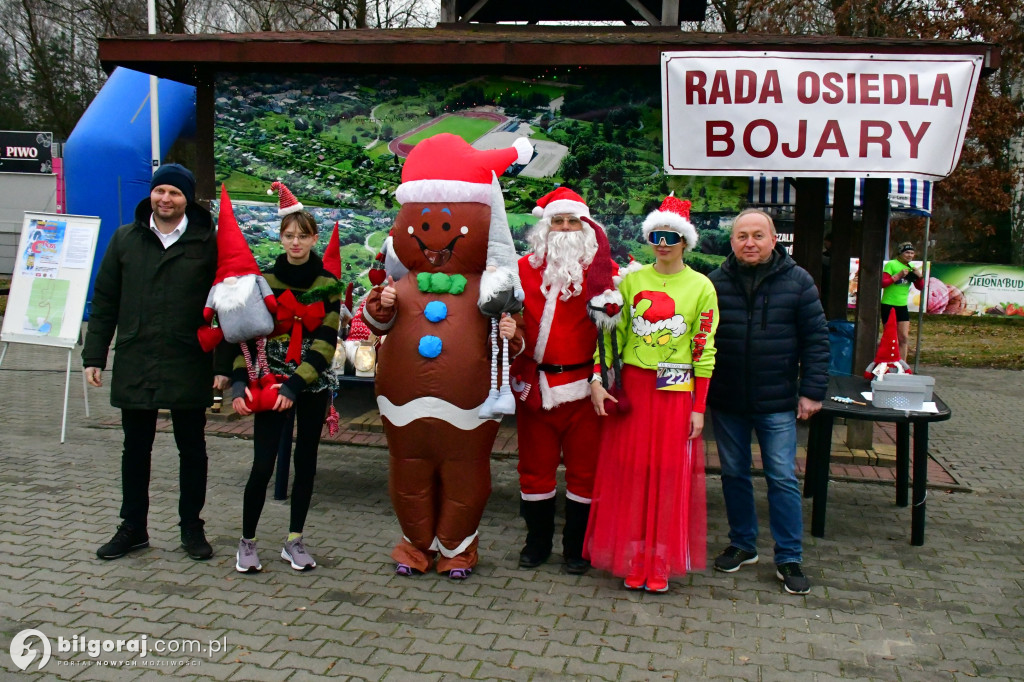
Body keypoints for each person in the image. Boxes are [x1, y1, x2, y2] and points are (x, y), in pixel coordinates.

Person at [84, 163, 229, 561]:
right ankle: (133, 528)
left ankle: (191, 527)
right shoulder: (125, 240)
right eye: (160, 191)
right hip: (137, 356)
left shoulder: (207, 243)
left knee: (193, 448)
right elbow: (106, 300)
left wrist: (223, 364)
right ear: (151, 194)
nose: (166, 199)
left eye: (175, 193)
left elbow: (228, 306)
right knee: (135, 448)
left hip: (188, 358)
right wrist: (94, 354)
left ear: (187, 200)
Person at [585, 194, 718, 593]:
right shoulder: (632, 280)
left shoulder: (701, 286)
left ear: (685, 242)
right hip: (635, 389)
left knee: (667, 475)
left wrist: (699, 407)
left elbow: (703, 348)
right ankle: (632, 555)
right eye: (656, 235)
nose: (663, 243)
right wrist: (597, 379)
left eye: (671, 236)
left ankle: (659, 560)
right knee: (632, 472)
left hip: (675, 390)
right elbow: (612, 335)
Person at [707, 208, 829, 595]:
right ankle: (743, 544)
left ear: (775, 240)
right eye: (742, 236)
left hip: (777, 400)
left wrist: (812, 391)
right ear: (732, 242)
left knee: (781, 477)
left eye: (758, 235)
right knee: (734, 474)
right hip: (728, 398)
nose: (750, 243)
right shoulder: (714, 283)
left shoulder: (798, 282)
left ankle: (789, 556)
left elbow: (816, 340)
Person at [231, 182, 341, 573]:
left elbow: (327, 340)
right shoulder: (263, 280)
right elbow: (248, 336)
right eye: (289, 236)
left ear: (314, 238)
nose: (296, 242)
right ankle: (247, 541)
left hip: (308, 383)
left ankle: (294, 539)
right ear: (280, 237)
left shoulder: (328, 285)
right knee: (262, 464)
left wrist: (297, 384)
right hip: (269, 382)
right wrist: (240, 382)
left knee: (306, 462)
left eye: (303, 236)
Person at [511, 188, 619, 575]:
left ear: (587, 227)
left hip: (586, 391)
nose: (565, 228)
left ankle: (577, 548)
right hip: (536, 389)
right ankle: (536, 543)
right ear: (546, 226)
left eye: (573, 221)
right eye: (558, 221)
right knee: (534, 470)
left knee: (585, 473)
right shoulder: (522, 269)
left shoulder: (605, 274)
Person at [881, 241, 923, 359]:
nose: (909, 255)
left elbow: (920, 287)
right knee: (890, 336)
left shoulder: (910, 268)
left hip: (902, 306)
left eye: (912, 253)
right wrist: (898, 276)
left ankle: (902, 364)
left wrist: (919, 277)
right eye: (907, 252)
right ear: (900, 253)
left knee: (903, 337)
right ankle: (888, 361)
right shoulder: (891, 264)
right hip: (888, 304)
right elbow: (883, 283)